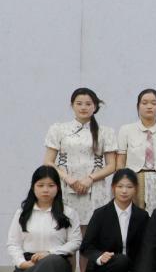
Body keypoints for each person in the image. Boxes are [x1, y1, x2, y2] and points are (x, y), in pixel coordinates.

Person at [43, 87, 117, 231]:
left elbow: (111, 165)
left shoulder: (105, 132)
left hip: (95, 188)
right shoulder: (58, 129)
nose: (83, 107)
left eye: (88, 104)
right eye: (79, 103)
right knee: (65, 230)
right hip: (66, 186)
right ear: (72, 105)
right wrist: (67, 178)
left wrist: (90, 178)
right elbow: (48, 162)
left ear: (95, 107)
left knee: (92, 233)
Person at [7, 165, 82, 272]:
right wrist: (21, 263)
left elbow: (75, 241)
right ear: (33, 187)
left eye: (51, 185)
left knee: (51, 262)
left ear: (58, 188)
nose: (45, 190)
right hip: (29, 261)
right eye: (40, 185)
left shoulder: (68, 213)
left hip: (57, 260)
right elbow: (13, 243)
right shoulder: (22, 213)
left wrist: (50, 253)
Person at [81, 168, 149, 272]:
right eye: (120, 186)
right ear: (113, 188)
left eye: (129, 187)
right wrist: (100, 256)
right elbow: (86, 247)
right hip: (105, 270)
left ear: (135, 189)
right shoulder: (100, 214)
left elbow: (145, 250)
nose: (124, 191)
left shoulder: (142, 216)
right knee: (120, 261)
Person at [117, 88, 156, 213]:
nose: (149, 106)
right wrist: (122, 183)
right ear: (138, 106)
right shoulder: (126, 130)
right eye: (144, 103)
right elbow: (121, 161)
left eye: (153, 103)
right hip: (134, 180)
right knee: (134, 217)